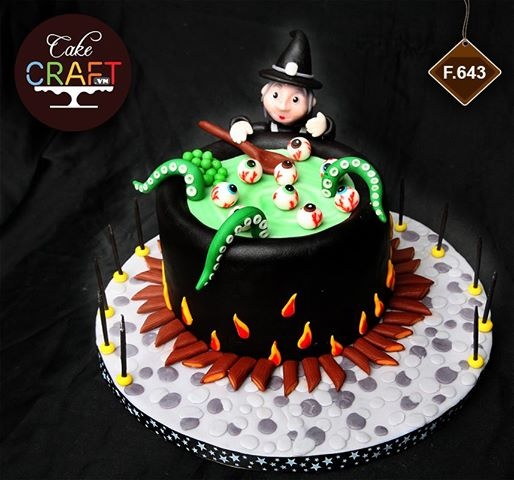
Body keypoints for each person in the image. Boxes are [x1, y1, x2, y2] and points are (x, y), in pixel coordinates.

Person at [230, 30, 335, 143]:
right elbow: (250, 129)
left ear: (311, 102)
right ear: (264, 90)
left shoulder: (307, 133)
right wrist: (239, 124)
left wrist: (325, 126)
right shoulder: (267, 129)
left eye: (295, 99)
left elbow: (328, 141)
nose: (283, 107)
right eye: (275, 95)